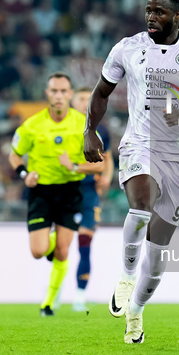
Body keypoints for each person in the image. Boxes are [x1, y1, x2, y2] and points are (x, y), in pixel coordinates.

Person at [83, 0, 179, 343]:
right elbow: (101, 92)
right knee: (140, 204)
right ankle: (126, 277)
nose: (151, 17)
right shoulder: (128, 48)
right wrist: (89, 131)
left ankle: (137, 313)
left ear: (177, 16)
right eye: (148, 10)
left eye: (159, 12)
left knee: (157, 252)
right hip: (141, 142)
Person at [9, 72, 104, 317]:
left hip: (71, 192)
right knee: (39, 251)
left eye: (64, 91)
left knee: (62, 251)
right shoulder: (32, 125)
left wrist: (73, 166)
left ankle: (48, 303)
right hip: (41, 192)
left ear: (70, 95)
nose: (59, 96)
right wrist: (23, 174)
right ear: (47, 94)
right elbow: (14, 154)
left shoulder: (83, 125)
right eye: (54, 91)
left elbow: (100, 164)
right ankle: (50, 242)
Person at [70, 86, 114, 312]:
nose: (84, 103)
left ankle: (79, 295)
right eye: (80, 99)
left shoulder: (100, 129)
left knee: (84, 245)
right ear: (72, 101)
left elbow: (107, 158)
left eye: (88, 99)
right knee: (60, 245)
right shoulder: (63, 128)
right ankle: (54, 293)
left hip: (88, 192)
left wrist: (106, 177)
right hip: (64, 190)